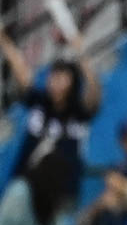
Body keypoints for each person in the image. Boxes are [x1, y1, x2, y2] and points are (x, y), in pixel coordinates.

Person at [0, 32, 100, 197]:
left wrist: (83, 56)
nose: (55, 82)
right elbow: (21, 69)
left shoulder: (79, 112)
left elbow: (94, 91)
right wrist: (3, 38)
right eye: (53, 77)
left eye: (62, 78)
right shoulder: (39, 102)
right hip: (26, 184)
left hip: (61, 191)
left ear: (73, 83)